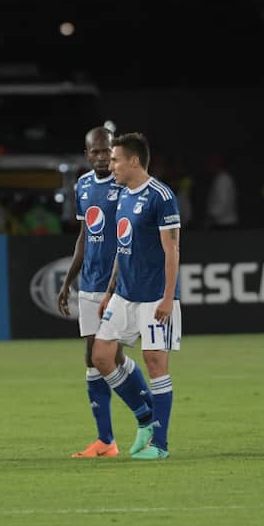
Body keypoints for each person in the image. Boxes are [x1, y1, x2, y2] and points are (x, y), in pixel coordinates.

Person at [57, 126, 152, 458]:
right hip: (90, 282)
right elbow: (85, 234)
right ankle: (113, 436)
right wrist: (70, 277)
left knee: (101, 356)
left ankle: (133, 424)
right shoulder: (82, 185)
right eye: (95, 152)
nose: (101, 157)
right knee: (104, 357)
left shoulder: (125, 183)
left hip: (119, 284)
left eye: (106, 152)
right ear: (87, 154)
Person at [90, 132, 181, 460]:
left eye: (115, 159)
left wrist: (169, 298)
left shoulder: (161, 196)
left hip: (154, 295)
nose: (110, 165)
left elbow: (172, 250)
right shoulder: (122, 195)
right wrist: (110, 289)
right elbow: (122, 246)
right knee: (101, 356)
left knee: (155, 363)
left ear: (133, 161)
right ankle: (145, 417)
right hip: (124, 294)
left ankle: (160, 444)